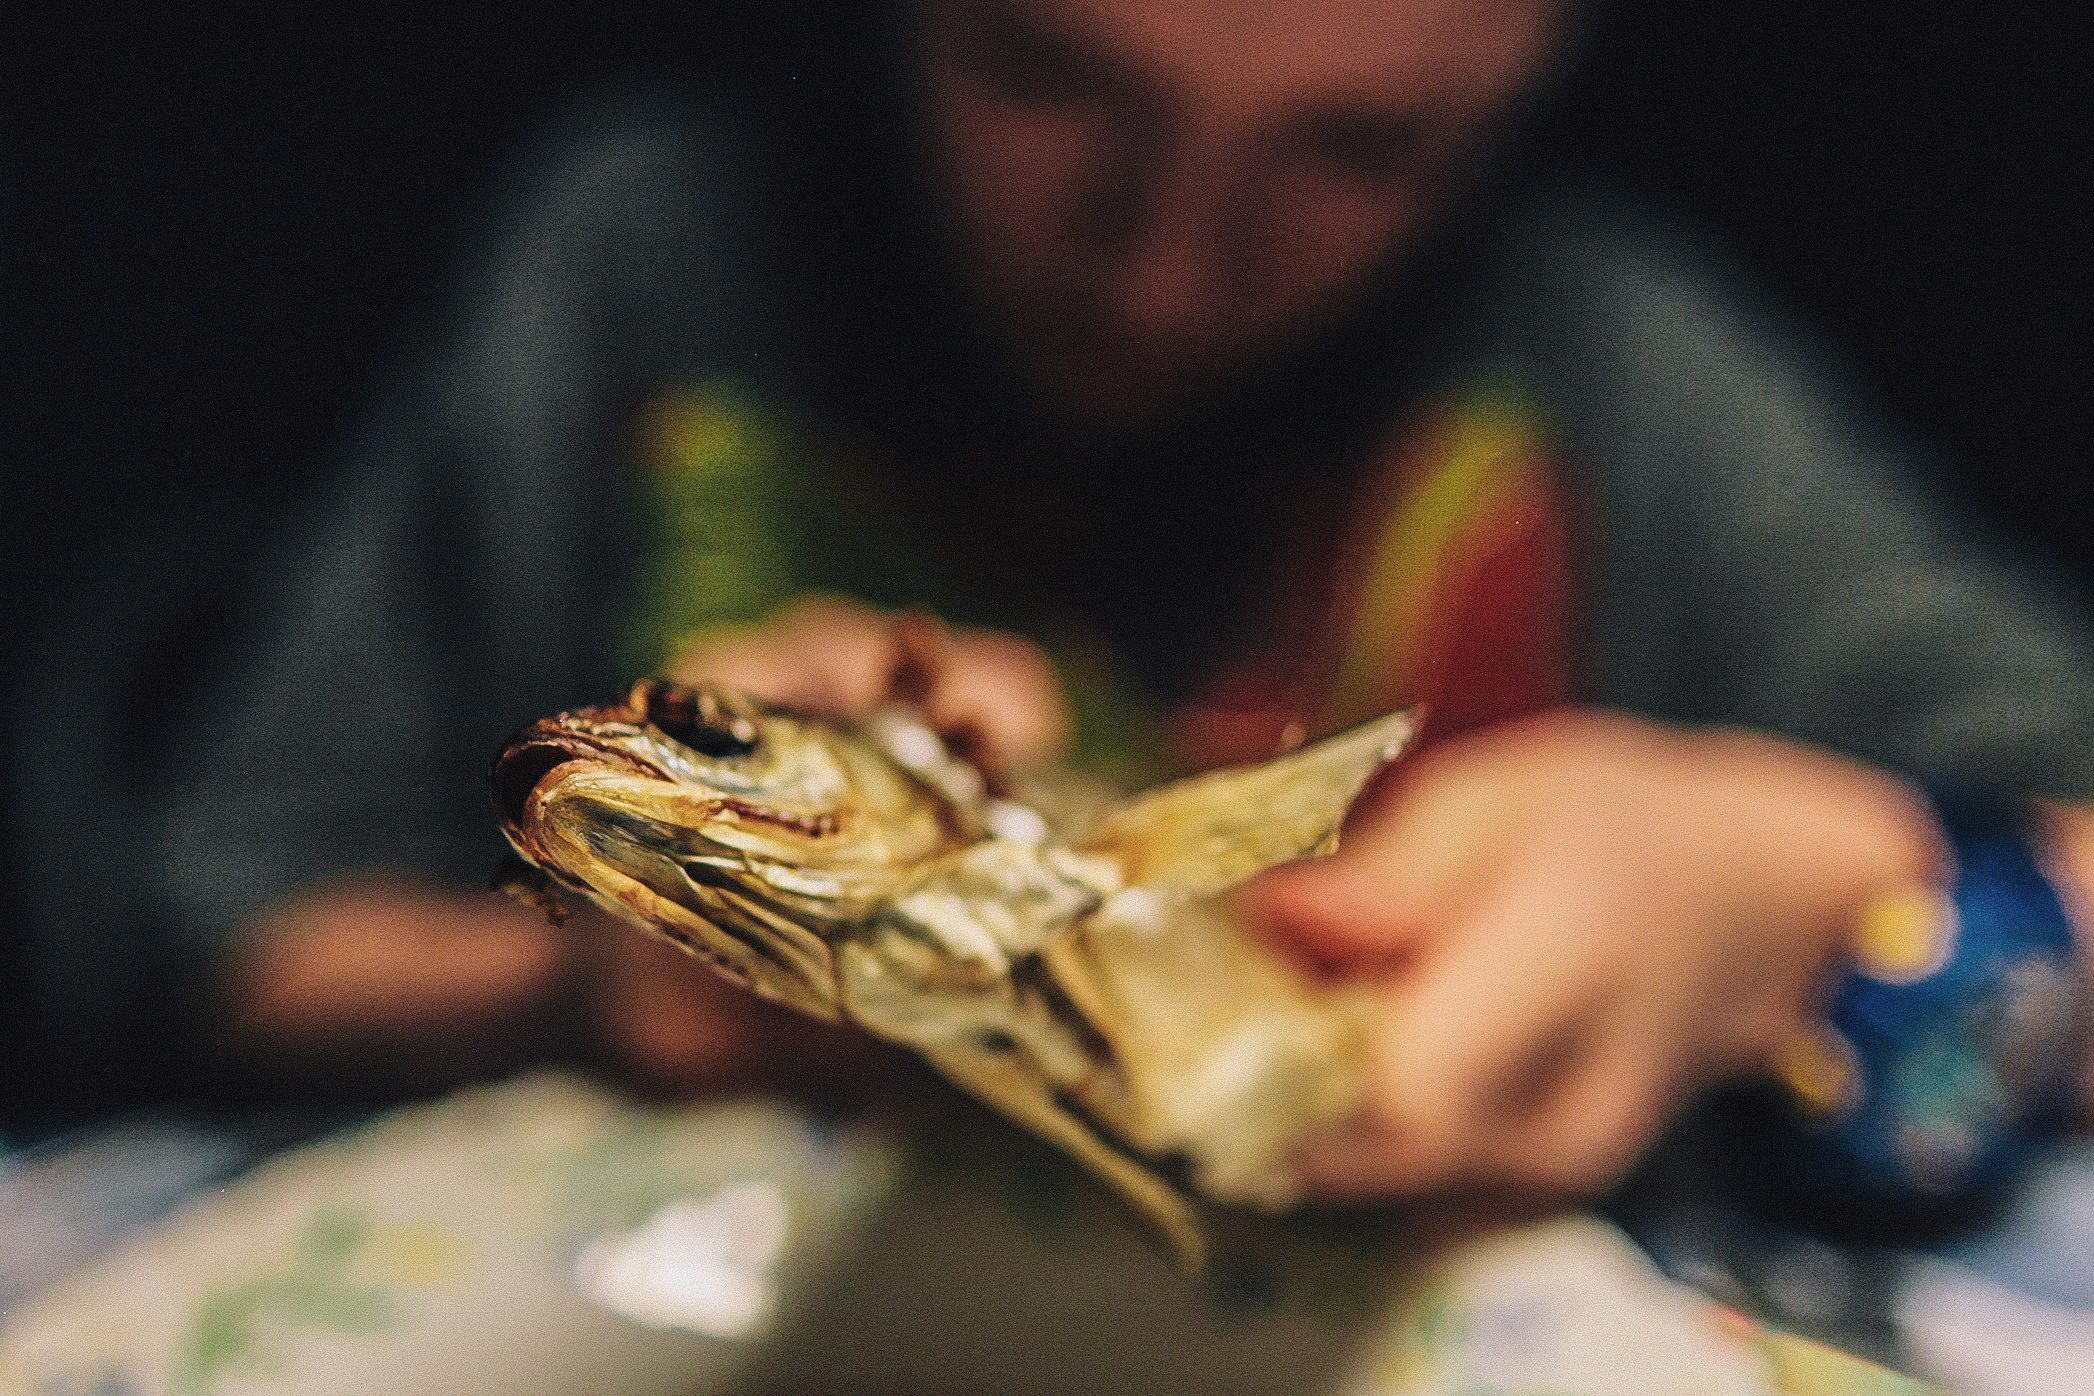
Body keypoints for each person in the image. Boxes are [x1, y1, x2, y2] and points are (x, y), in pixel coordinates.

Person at [137, 0, 2094, 1213]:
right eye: (1044, 74)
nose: (1163, 270)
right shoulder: (648, 258)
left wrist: (1796, 881)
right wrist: (591, 985)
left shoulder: (1609, 365)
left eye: (1359, 148)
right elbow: (222, 949)